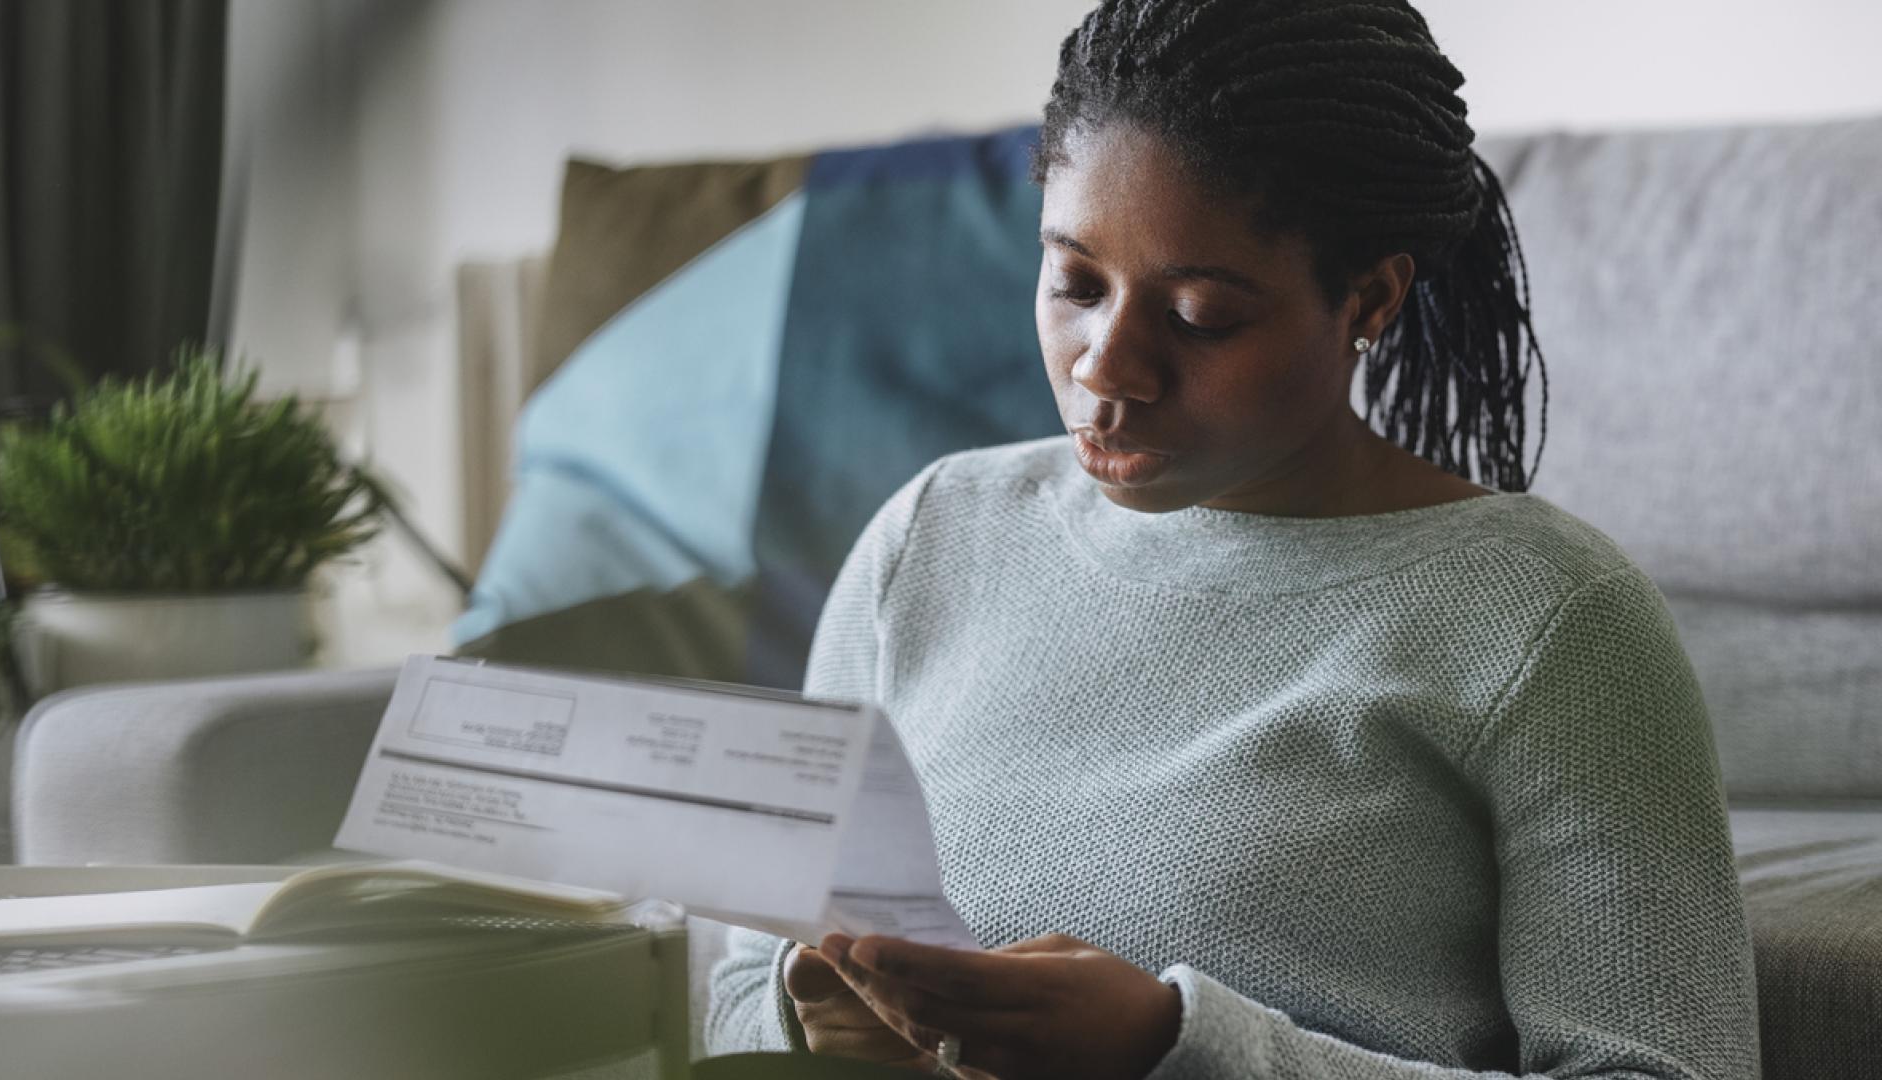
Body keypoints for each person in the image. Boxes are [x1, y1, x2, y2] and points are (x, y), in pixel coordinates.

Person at [706, 1, 1759, 1077]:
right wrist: (807, 1021)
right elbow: (741, 978)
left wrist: (1178, 1050)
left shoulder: (1549, 623)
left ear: (1369, 298)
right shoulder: (930, 535)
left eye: (1200, 315)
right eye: (1074, 283)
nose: (1104, 368)